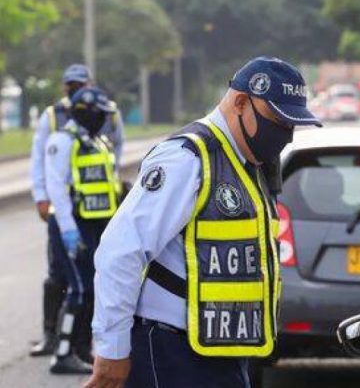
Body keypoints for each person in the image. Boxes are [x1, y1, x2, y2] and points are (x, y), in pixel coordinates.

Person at [86, 56, 321, 388]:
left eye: (291, 125)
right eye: (277, 121)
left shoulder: (247, 164)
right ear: (241, 102)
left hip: (217, 354)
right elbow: (120, 252)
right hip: (171, 354)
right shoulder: (187, 159)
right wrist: (112, 351)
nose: (286, 135)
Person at [28, 64, 124, 358]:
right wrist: (43, 199)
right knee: (67, 282)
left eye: (78, 83)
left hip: (95, 222)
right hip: (71, 221)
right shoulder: (57, 126)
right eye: (70, 84)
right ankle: (58, 343)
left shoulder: (100, 131)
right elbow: (45, 167)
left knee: (90, 287)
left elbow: (115, 158)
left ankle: (80, 348)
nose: (73, 87)